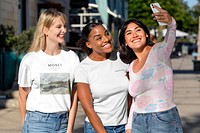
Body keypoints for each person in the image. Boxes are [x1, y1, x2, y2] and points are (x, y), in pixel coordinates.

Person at [118, 5, 183, 133]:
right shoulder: (131, 66)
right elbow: (136, 100)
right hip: (138, 122)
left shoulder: (160, 51)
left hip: (163, 120)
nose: (134, 35)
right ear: (125, 42)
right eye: (129, 33)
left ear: (146, 34)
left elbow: (170, 37)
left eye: (138, 30)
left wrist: (171, 22)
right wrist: (129, 126)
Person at [18, 9, 80, 133]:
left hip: (63, 122)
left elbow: (75, 95)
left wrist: (69, 128)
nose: (64, 30)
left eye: (64, 26)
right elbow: (22, 96)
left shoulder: (71, 57)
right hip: (37, 122)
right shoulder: (30, 59)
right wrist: (26, 124)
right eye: (59, 27)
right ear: (45, 30)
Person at [74, 22, 130, 133]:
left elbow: (131, 95)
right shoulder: (83, 68)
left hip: (124, 127)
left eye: (106, 34)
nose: (106, 39)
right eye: (98, 38)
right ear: (89, 44)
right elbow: (88, 108)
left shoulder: (122, 59)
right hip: (96, 128)